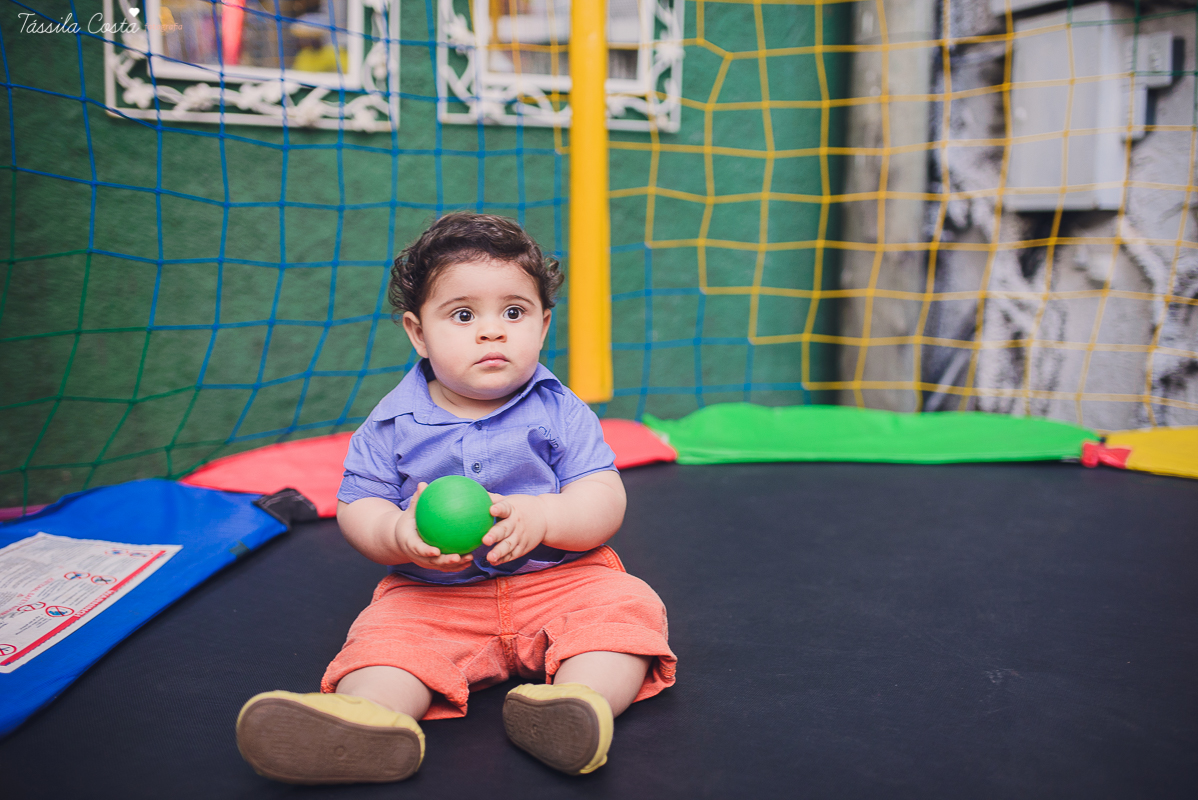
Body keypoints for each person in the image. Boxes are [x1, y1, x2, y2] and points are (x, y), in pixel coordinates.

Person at [234, 212, 676, 784]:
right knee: (385, 642)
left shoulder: (562, 411)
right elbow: (358, 505)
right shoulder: (390, 425)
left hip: (561, 581)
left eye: (513, 312)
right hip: (434, 595)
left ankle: (579, 704)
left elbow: (603, 498)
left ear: (543, 325)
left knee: (625, 609)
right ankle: (365, 721)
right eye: (463, 314)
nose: (491, 331)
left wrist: (545, 516)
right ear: (418, 332)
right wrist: (397, 534)